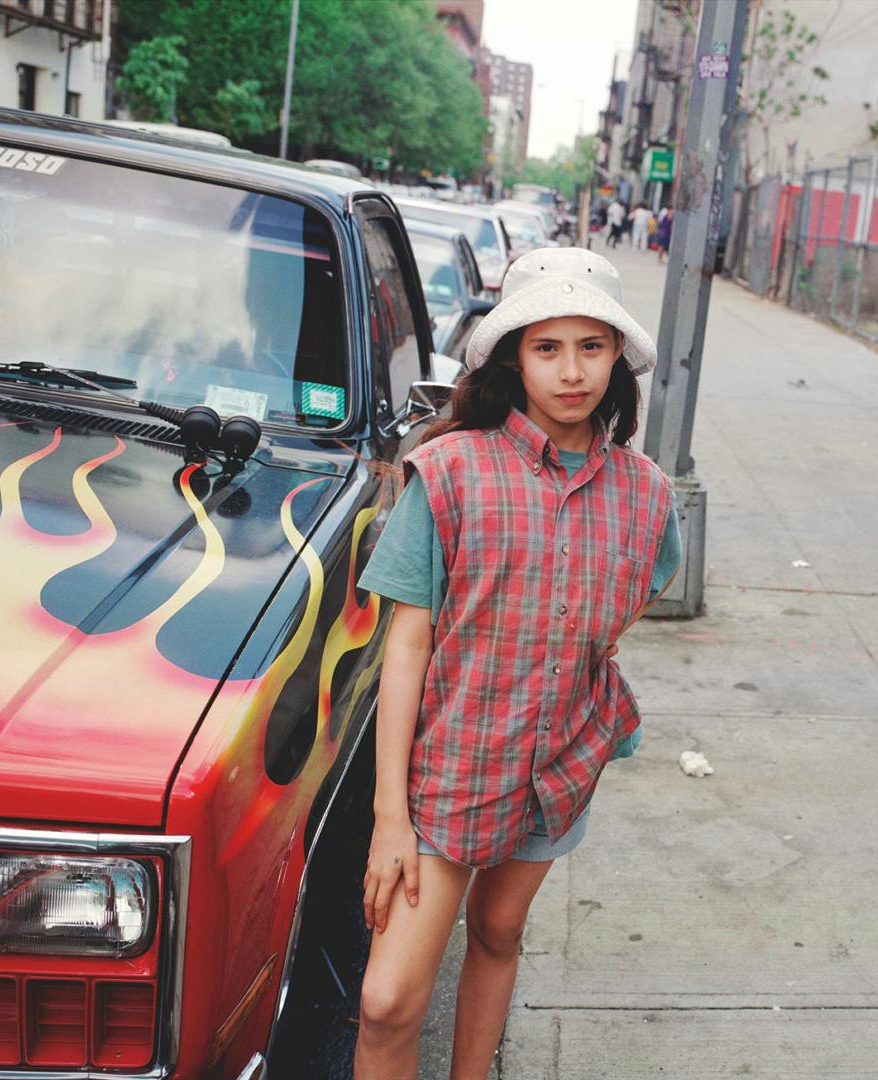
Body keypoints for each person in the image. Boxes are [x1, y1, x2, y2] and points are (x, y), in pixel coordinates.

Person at [352, 248, 682, 1080]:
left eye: (591, 346)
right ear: (512, 357)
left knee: (499, 934)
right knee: (388, 1001)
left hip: (559, 762)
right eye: (547, 347)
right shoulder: (452, 471)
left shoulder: (646, 493)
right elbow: (407, 643)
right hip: (450, 774)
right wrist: (391, 816)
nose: (571, 371)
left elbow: (635, 593)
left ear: (617, 357)